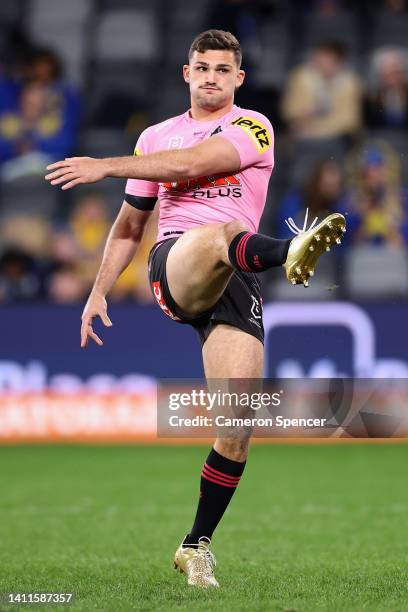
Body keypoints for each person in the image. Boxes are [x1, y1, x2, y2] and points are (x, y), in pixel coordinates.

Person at [45, 30, 345, 588]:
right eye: (201, 67)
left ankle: (195, 545)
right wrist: (98, 289)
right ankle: (290, 250)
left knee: (235, 428)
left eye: (222, 69)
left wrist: (105, 165)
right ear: (186, 73)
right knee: (222, 231)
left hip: (235, 279)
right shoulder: (155, 135)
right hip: (177, 263)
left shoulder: (254, 126)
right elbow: (131, 225)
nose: (211, 76)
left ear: (239, 78)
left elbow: (194, 163)